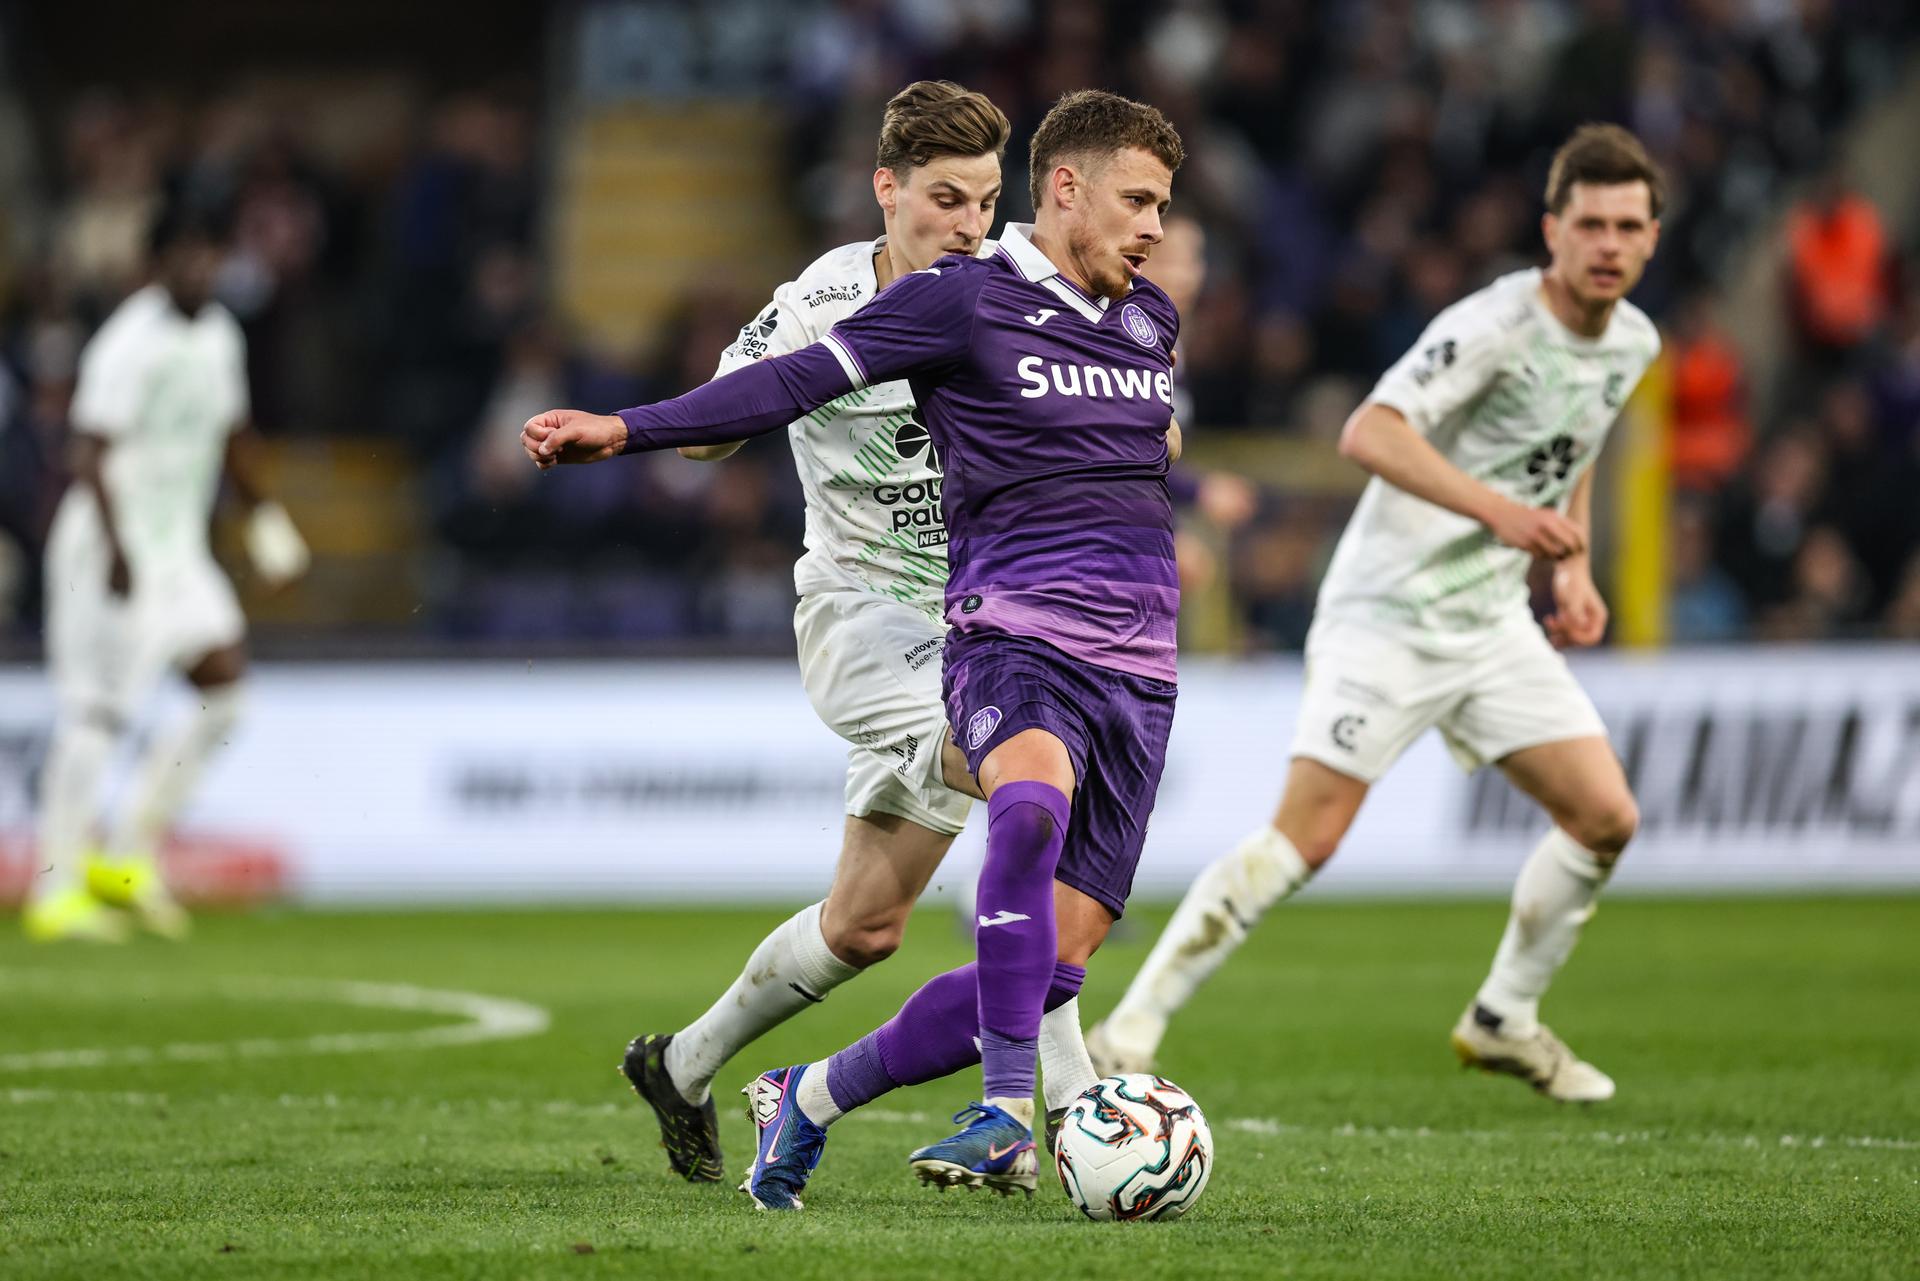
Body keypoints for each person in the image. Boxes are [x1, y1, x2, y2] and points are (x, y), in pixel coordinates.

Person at [522, 88, 1186, 1208]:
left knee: (865, 927)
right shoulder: (826, 301)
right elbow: (738, 414)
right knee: (1035, 791)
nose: (969, 223)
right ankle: (1065, 1107)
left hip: (982, 610)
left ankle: (684, 1064)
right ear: (887, 190)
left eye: (985, 200)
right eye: (943, 199)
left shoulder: (1040, 307)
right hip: (872, 619)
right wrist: (660, 426)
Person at [1089, 123, 1665, 1104]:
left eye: (1629, 226)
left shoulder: (1635, 341)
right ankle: (1128, 1030)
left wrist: (1567, 565)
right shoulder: (1494, 325)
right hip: (1387, 613)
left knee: (1604, 816)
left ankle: (1503, 1018)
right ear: (1551, 232)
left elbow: (1577, 439)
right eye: (1591, 224)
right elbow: (1370, 430)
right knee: (1305, 841)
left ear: (1652, 237)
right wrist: (1506, 518)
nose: (1609, 243)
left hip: (1488, 623)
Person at [26, 198, 309, 942]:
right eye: (184, 254)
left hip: (177, 549)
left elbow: (233, 434)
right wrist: (118, 550)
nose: (200, 267)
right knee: (96, 715)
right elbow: (86, 449)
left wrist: (267, 520)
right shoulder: (128, 342)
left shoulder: (218, 333)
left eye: (210, 253)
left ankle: (125, 855)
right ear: (157, 265)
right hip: (108, 548)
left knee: (228, 695)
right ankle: (55, 890)